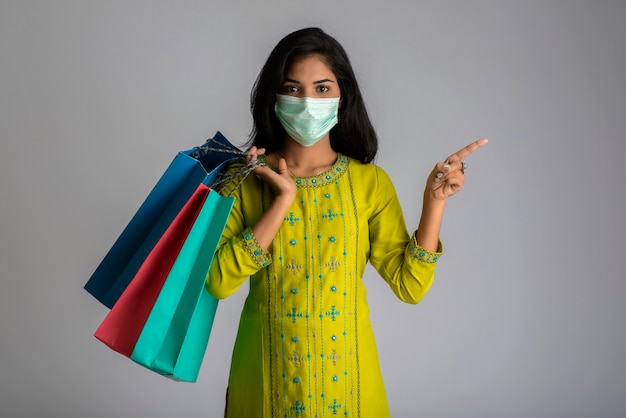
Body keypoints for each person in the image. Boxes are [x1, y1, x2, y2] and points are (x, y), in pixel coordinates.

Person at [206, 27, 487, 418]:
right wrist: (280, 202)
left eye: (321, 89)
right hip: (266, 381)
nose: (307, 102)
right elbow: (217, 282)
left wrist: (433, 203)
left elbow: (410, 286)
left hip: (350, 383)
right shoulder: (243, 179)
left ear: (342, 97)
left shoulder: (369, 183)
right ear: (273, 97)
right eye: (292, 88)